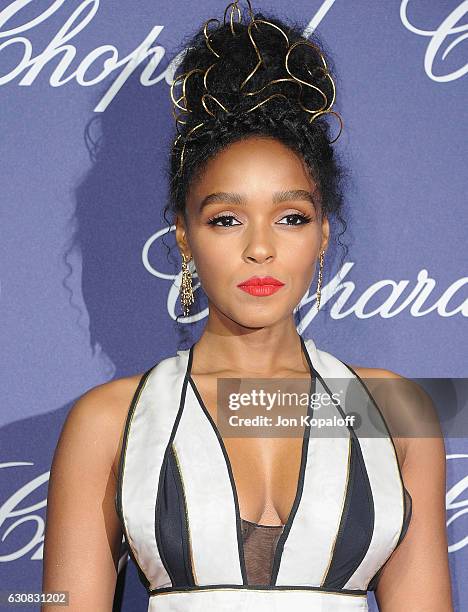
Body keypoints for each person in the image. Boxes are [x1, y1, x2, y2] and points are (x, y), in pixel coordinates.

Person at [42, 1, 453, 610]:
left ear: (321, 235)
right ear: (184, 237)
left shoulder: (394, 412)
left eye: (290, 217)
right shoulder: (111, 421)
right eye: (227, 219)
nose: (261, 248)